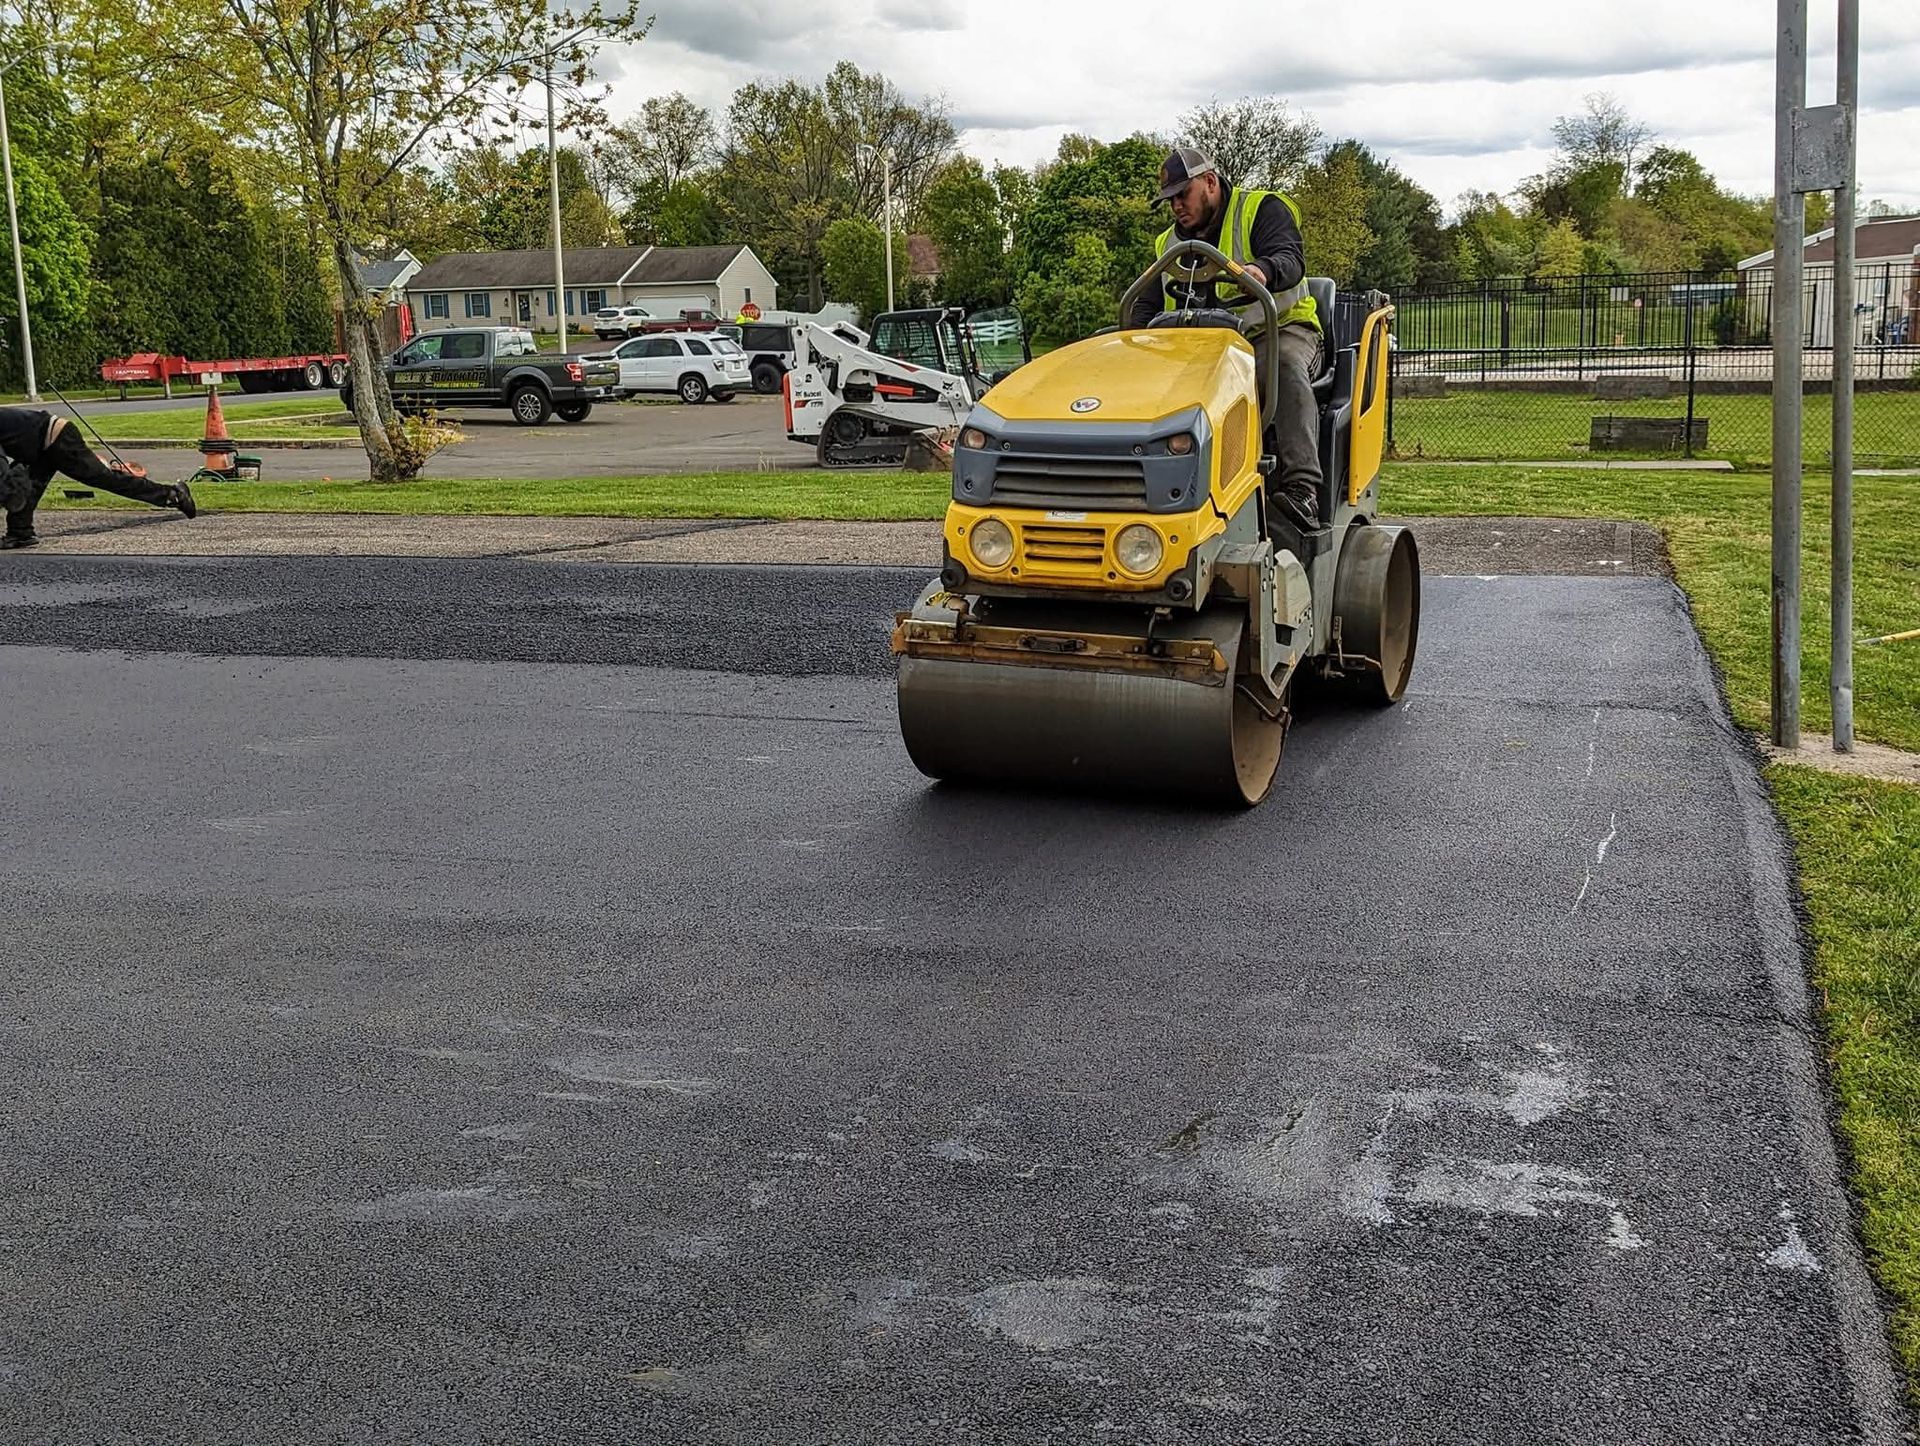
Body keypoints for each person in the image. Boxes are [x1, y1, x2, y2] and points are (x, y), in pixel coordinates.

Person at [1127, 146, 1324, 532]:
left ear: (1211, 182)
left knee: (1279, 365)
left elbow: (1289, 257)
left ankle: (1303, 488)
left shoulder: (1261, 211)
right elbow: (1144, 306)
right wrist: (1132, 346)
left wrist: (1261, 271)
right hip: (1205, 353)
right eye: (1170, 200)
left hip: (1278, 331)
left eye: (1183, 194)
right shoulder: (1167, 246)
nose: (1176, 207)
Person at [0, 407, 195, 550]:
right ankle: (20, 533)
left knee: (104, 479)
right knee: (28, 482)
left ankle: (172, 495)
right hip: (41, 445)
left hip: (57, 437)